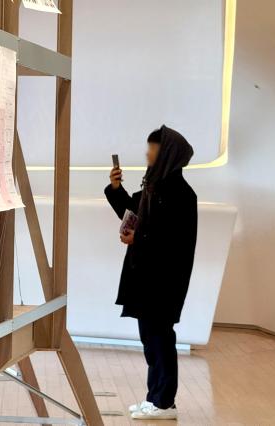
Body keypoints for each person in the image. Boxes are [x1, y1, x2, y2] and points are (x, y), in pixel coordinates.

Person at [104, 125, 198, 420]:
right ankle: (155, 398)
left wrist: (138, 237)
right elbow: (132, 213)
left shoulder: (182, 194)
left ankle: (164, 402)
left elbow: (174, 240)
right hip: (146, 278)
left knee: (160, 338)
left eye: (153, 149)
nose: (147, 153)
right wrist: (116, 190)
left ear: (167, 153)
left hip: (164, 281)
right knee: (150, 338)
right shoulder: (152, 188)